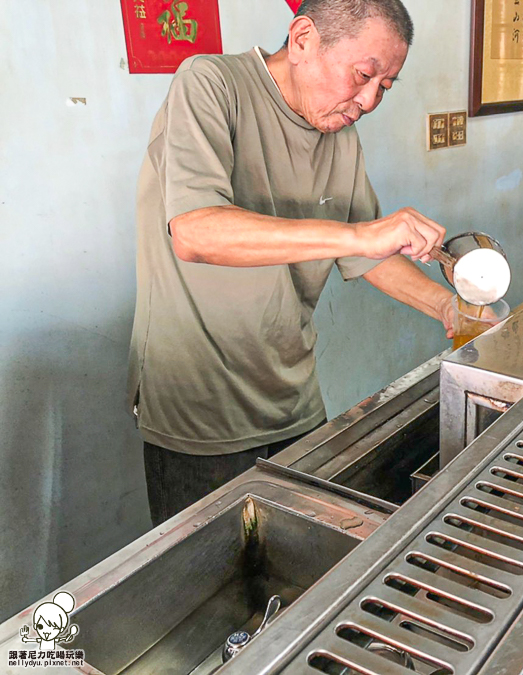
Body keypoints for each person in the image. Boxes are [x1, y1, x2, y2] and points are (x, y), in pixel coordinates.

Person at [127, 0, 455, 526]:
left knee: (303, 578)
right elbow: (195, 231)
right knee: (212, 592)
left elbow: (364, 255)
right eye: (363, 75)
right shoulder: (212, 84)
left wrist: (449, 306)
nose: (368, 100)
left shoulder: (338, 132)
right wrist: (360, 234)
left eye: (384, 87)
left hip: (293, 399)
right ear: (303, 39)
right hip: (200, 410)